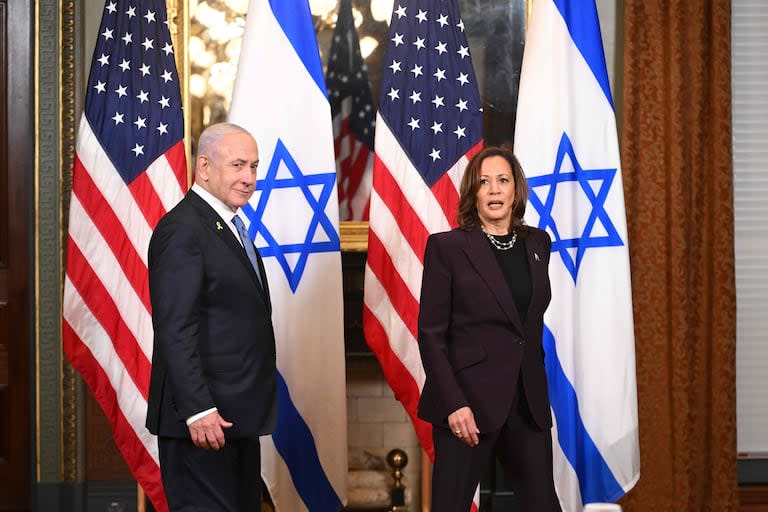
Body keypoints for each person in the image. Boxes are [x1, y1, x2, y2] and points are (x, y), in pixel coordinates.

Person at [417, 146, 562, 511]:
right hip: (467, 407)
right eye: (484, 182)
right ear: (474, 193)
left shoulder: (538, 243)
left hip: (526, 403)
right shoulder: (447, 248)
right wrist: (454, 404)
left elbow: (527, 324)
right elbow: (431, 335)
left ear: (516, 190)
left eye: (502, 181)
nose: (494, 190)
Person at [146, 122, 277, 511]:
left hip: (235, 419)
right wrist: (198, 409)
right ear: (204, 167)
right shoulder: (183, 229)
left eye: (254, 167)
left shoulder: (229, 226)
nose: (249, 178)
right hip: (201, 422)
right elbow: (175, 326)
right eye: (238, 165)